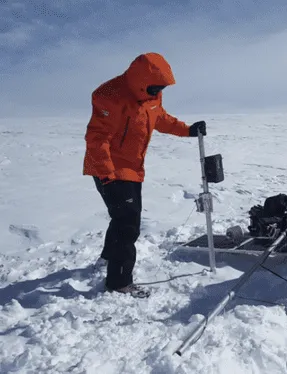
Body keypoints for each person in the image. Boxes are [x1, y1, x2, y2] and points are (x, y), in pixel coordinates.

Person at [82, 52, 207, 298]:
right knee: (127, 225)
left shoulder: (151, 97)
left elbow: (160, 118)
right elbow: (97, 138)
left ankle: (109, 258)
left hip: (133, 169)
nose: (159, 90)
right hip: (109, 169)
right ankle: (119, 283)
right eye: (156, 86)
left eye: (161, 87)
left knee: (122, 217)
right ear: (140, 81)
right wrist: (107, 174)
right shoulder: (109, 96)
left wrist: (188, 130)